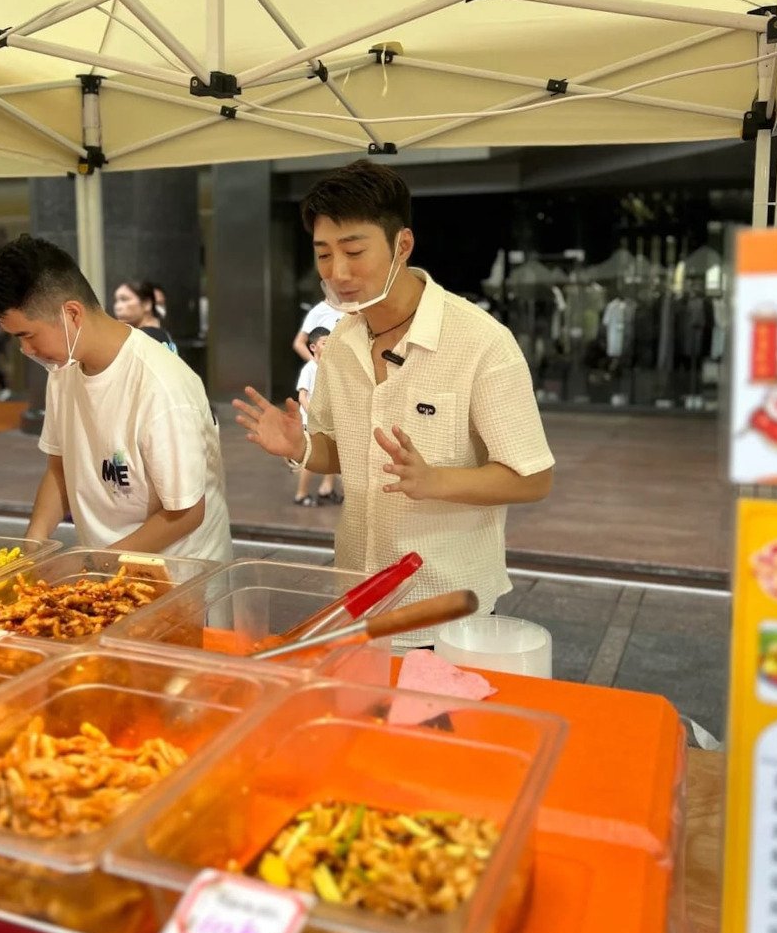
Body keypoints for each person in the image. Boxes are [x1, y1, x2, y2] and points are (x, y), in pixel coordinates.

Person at [234, 160, 554, 640]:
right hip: (356, 602)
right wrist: (299, 447)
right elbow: (344, 452)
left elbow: (533, 478)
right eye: (323, 254)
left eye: (354, 250)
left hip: (446, 610)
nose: (338, 272)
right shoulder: (340, 343)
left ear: (402, 244)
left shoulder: (481, 342)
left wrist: (434, 480)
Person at [0, 235, 232, 561]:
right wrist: (33, 544)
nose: (26, 350)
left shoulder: (161, 386)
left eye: (27, 335)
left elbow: (186, 513)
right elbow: (60, 469)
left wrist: (96, 563)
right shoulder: (63, 370)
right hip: (107, 569)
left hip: (181, 580)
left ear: (72, 314)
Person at [294, 325, 342, 508]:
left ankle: (326, 489)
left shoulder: (329, 368)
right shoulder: (309, 369)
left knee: (332, 453)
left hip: (328, 421)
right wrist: (313, 415)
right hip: (311, 422)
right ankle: (301, 493)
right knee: (311, 458)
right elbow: (302, 397)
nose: (328, 346)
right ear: (313, 347)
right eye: (324, 343)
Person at [113, 280, 178, 353]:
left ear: (146, 304)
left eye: (124, 299)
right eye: (116, 301)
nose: (117, 307)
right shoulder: (165, 335)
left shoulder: (141, 338)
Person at [291, 297, 344, 362]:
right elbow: (299, 343)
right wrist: (316, 365)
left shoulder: (354, 309)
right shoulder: (318, 311)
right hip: (330, 367)